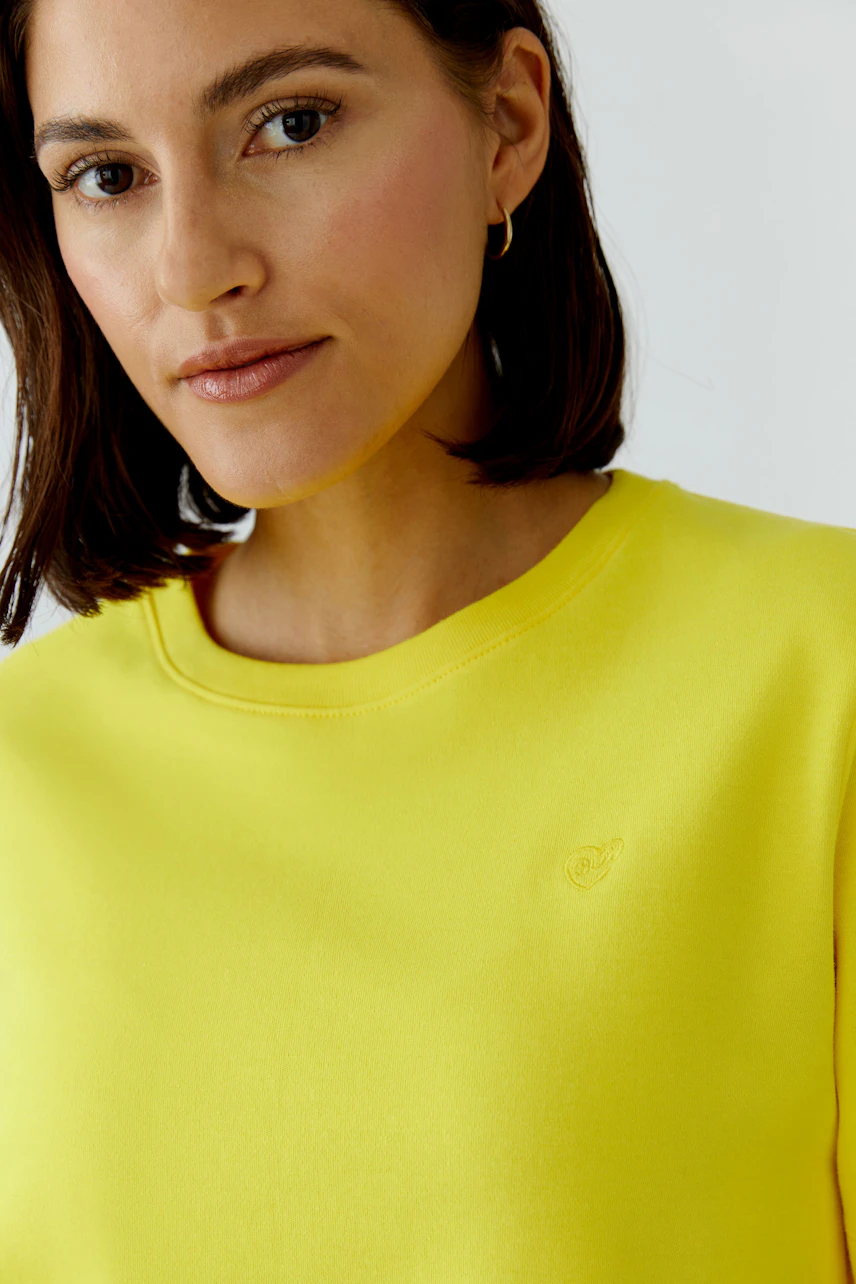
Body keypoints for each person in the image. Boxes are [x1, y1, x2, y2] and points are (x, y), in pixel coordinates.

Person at [0, 0, 854, 1278]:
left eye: (289, 124)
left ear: (507, 122)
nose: (193, 268)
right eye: (107, 175)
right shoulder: (24, 768)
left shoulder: (816, 672)